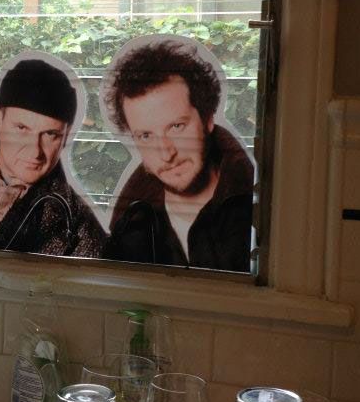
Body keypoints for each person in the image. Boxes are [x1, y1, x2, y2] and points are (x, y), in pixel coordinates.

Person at [102, 38, 254, 271]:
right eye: (146, 136)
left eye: (176, 127)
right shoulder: (129, 225)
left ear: (208, 118)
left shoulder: (259, 212)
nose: (166, 153)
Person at [0, 56, 106, 257]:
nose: (35, 152)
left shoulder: (81, 225)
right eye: (21, 128)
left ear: (65, 137)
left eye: (50, 134)